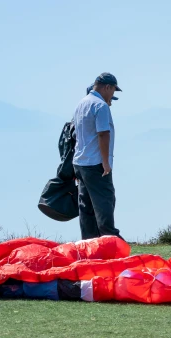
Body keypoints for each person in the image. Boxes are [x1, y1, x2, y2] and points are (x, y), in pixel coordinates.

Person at [71, 72, 123, 240]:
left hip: (80, 162)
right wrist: (106, 163)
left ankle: (89, 241)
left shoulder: (82, 103)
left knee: (86, 206)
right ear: (107, 87)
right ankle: (109, 239)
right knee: (104, 202)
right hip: (96, 163)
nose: (112, 95)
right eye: (113, 91)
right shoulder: (101, 106)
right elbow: (103, 134)